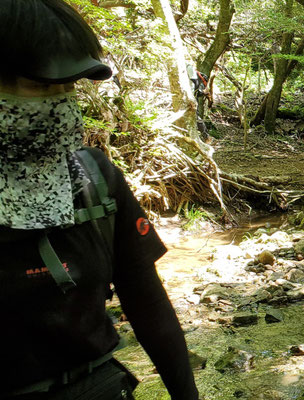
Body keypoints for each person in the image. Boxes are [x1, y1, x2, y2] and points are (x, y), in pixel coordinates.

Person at [0, 1, 199, 399]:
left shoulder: (93, 178)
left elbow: (146, 300)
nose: (60, 105)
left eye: (68, 88)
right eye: (41, 86)